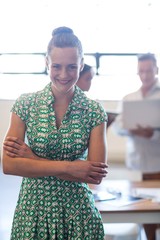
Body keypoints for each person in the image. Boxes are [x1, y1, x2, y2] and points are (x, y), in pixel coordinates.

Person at [1, 26, 108, 240]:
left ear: (81, 64)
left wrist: (33, 160)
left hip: (79, 216)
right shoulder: (26, 104)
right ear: (46, 63)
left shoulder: (94, 111)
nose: (63, 75)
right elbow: (9, 165)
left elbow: (94, 176)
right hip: (33, 214)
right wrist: (71, 168)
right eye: (56, 66)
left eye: (71, 67)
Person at [112, 53, 160, 240]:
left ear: (156, 69)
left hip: (158, 164)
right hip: (136, 163)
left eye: (149, 70)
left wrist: (153, 134)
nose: (145, 75)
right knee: (140, 208)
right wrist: (130, 130)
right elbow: (117, 126)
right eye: (141, 71)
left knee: (157, 211)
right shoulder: (129, 98)